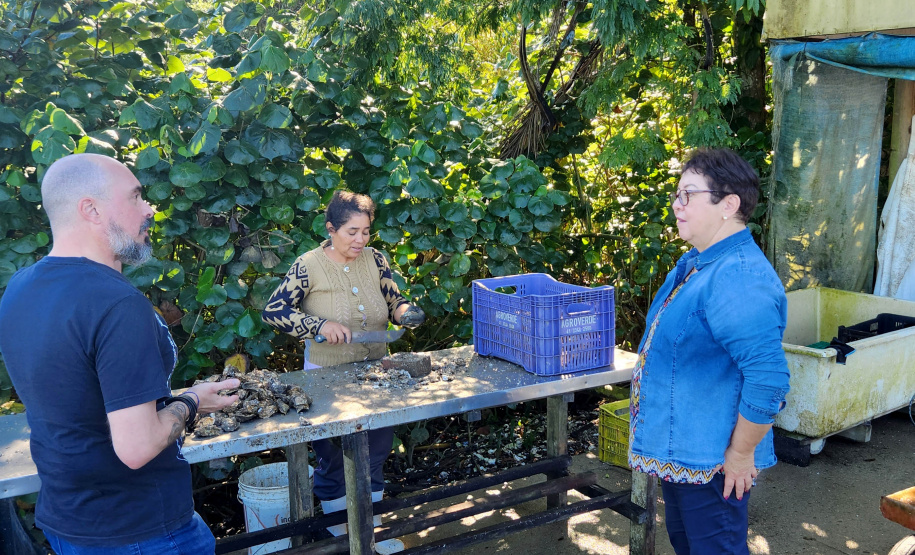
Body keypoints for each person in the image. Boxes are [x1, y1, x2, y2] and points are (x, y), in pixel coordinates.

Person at [0, 153, 240, 554]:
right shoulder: (118, 305)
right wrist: (192, 402)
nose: (150, 209)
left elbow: (78, 398)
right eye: (135, 197)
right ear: (91, 210)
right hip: (142, 531)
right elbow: (137, 447)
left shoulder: (20, 288)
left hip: (68, 523)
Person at [627, 148, 791, 554]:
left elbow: (769, 380)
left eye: (688, 194)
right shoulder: (704, 263)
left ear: (728, 205)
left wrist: (741, 453)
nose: (676, 205)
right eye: (677, 195)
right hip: (687, 453)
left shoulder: (738, 276)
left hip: (714, 464)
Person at [262, 190, 424, 554]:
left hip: (377, 375)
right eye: (352, 232)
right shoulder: (307, 265)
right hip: (325, 377)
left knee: (377, 450)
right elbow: (273, 312)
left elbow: (393, 299)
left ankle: (370, 531)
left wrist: (405, 313)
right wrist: (317, 325)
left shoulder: (376, 259)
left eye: (366, 231)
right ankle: (343, 537)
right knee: (334, 457)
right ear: (331, 228)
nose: (360, 239)